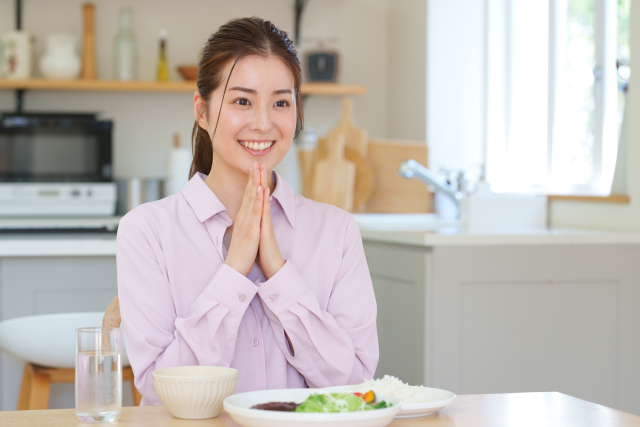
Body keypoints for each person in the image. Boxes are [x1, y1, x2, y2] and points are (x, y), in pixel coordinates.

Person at [117, 17, 378, 406]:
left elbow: (354, 383)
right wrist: (235, 268)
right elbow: (160, 392)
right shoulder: (147, 231)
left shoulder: (337, 231)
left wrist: (277, 269)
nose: (263, 122)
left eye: (280, 102)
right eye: (242, 101)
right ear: (202, 111)